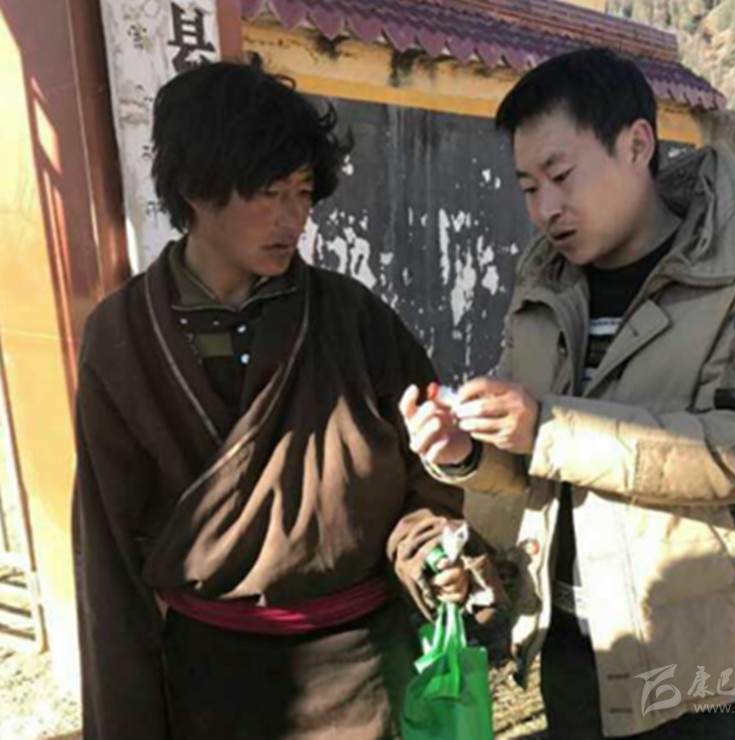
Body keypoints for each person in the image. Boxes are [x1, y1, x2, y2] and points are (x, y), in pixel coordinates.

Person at [400, 48, 735, 738]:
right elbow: (536, 464)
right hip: (571, 641)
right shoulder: (545, 287)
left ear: (637, 144)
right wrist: (467, 452)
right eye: (528, 186)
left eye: (561, 175)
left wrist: (545, 426)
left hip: (704, 657)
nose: (546, 208)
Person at [72, 59, 480, 740]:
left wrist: (431, 548)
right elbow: (109, 551)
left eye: (304, 193)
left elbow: (426, 476)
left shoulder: (352, 318)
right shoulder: (123, 336)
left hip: (363, 671)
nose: (294, 219)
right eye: (269, 193)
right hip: (211, 680)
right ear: (196, 189)